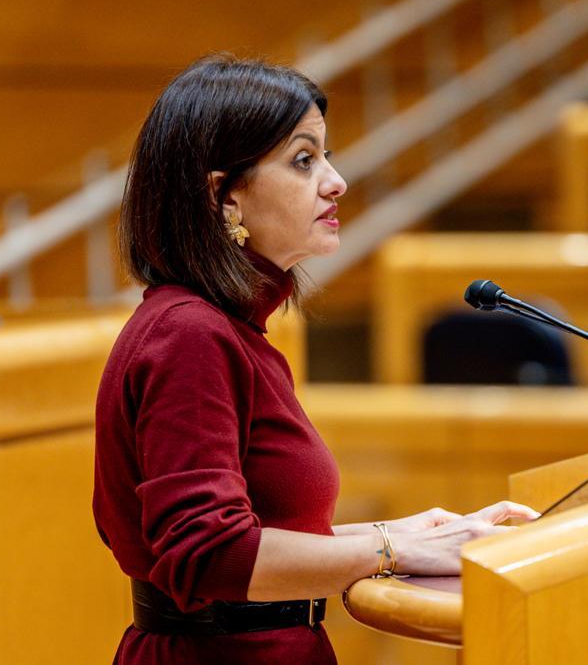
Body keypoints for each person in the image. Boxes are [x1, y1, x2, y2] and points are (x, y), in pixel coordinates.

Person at [93, 55, 538, 664]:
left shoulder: (229, 329)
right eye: (305, 160)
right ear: (223, 196)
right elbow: (209, 555)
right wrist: (391, 551)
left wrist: (412, 534)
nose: (336, 181)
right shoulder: (189, 335)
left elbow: (263, 533)